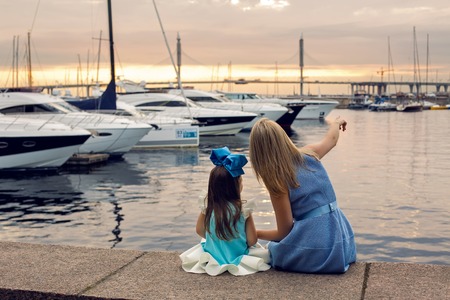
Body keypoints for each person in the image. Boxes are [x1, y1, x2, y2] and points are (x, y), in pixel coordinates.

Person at [249, 117, 356, 273]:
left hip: (320, 250)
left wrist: (255, 234)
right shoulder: (309, 153)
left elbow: (283, 232)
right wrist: (336, 123)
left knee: (273, 251)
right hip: (342, 243)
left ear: (258, 154)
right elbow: (331, 140)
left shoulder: (277, 181)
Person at [179, 146, 270, 276]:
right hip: (238, 255)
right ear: (237, 185)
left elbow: (200, 230)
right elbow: (251, 240)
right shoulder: (243, 209)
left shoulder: (209, 207)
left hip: (213, 255)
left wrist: (216, 238)